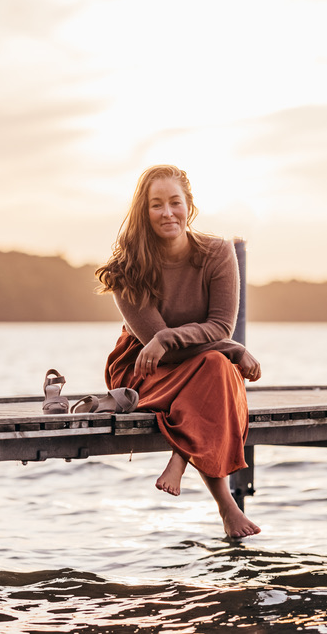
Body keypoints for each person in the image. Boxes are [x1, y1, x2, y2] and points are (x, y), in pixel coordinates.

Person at [95, 164, 262, 539]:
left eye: (175, 203)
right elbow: (157, 346)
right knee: (217, 369)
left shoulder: (217, 252)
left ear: (190, 206)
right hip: (142, 369)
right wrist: (233, 350)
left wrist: (216, 344)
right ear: (144, 211)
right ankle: (226, 506)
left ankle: (180, 459)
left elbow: (220, 326)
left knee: (215, 369)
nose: (167, 212)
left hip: (195, 362)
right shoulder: (127, 269)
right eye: (157, 205)